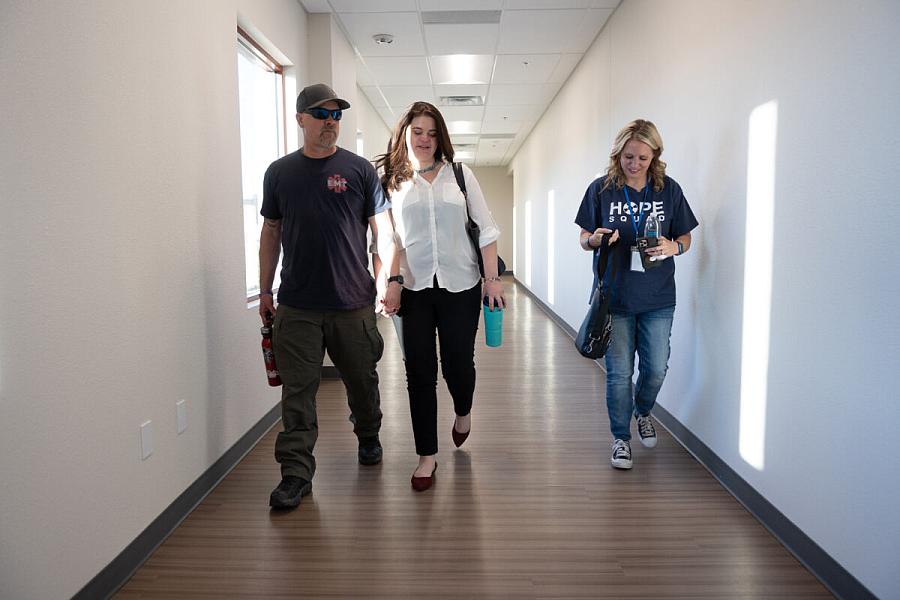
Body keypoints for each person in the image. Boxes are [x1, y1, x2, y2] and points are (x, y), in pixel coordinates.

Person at [259, 83, 399, 509]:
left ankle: (369, 433)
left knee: (362, 382)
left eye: (337, 115)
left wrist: (385, 281)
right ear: (300, 119)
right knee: (298, 393)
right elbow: (271, 231)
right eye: (321, 115)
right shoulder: (279, 173)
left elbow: (383, 231)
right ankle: (295, 474)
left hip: (351, 303)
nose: (331, 123)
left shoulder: (359, 171)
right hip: (297, 305)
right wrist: (264, 289)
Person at [374, 101, 504, 492]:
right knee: (419, 373)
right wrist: (390, 281)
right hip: (412, 288)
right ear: (405, 135)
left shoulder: (461, 176)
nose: (424, 139)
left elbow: (487, 230)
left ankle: (463, 412)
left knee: (458, 366)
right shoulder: (392, 184)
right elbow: (388, 239)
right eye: (417, 132)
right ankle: (426, 456)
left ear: (440, 137)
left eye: (431, 132)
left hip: (460, 286)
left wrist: (492, 280)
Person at [575, 119, 698, 470]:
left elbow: (686, 237)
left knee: (656, 368)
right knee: (618, 372)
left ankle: (643, 411)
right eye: (629, 157)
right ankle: (620, 438)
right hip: (615, 297)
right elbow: (584, 238)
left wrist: (674, 247)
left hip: (658, 297)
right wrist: (595, 239)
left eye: (643, 158)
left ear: (654, 156)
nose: (634, 164)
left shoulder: (669, 190)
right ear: (618, 154)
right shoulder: (601, 190)